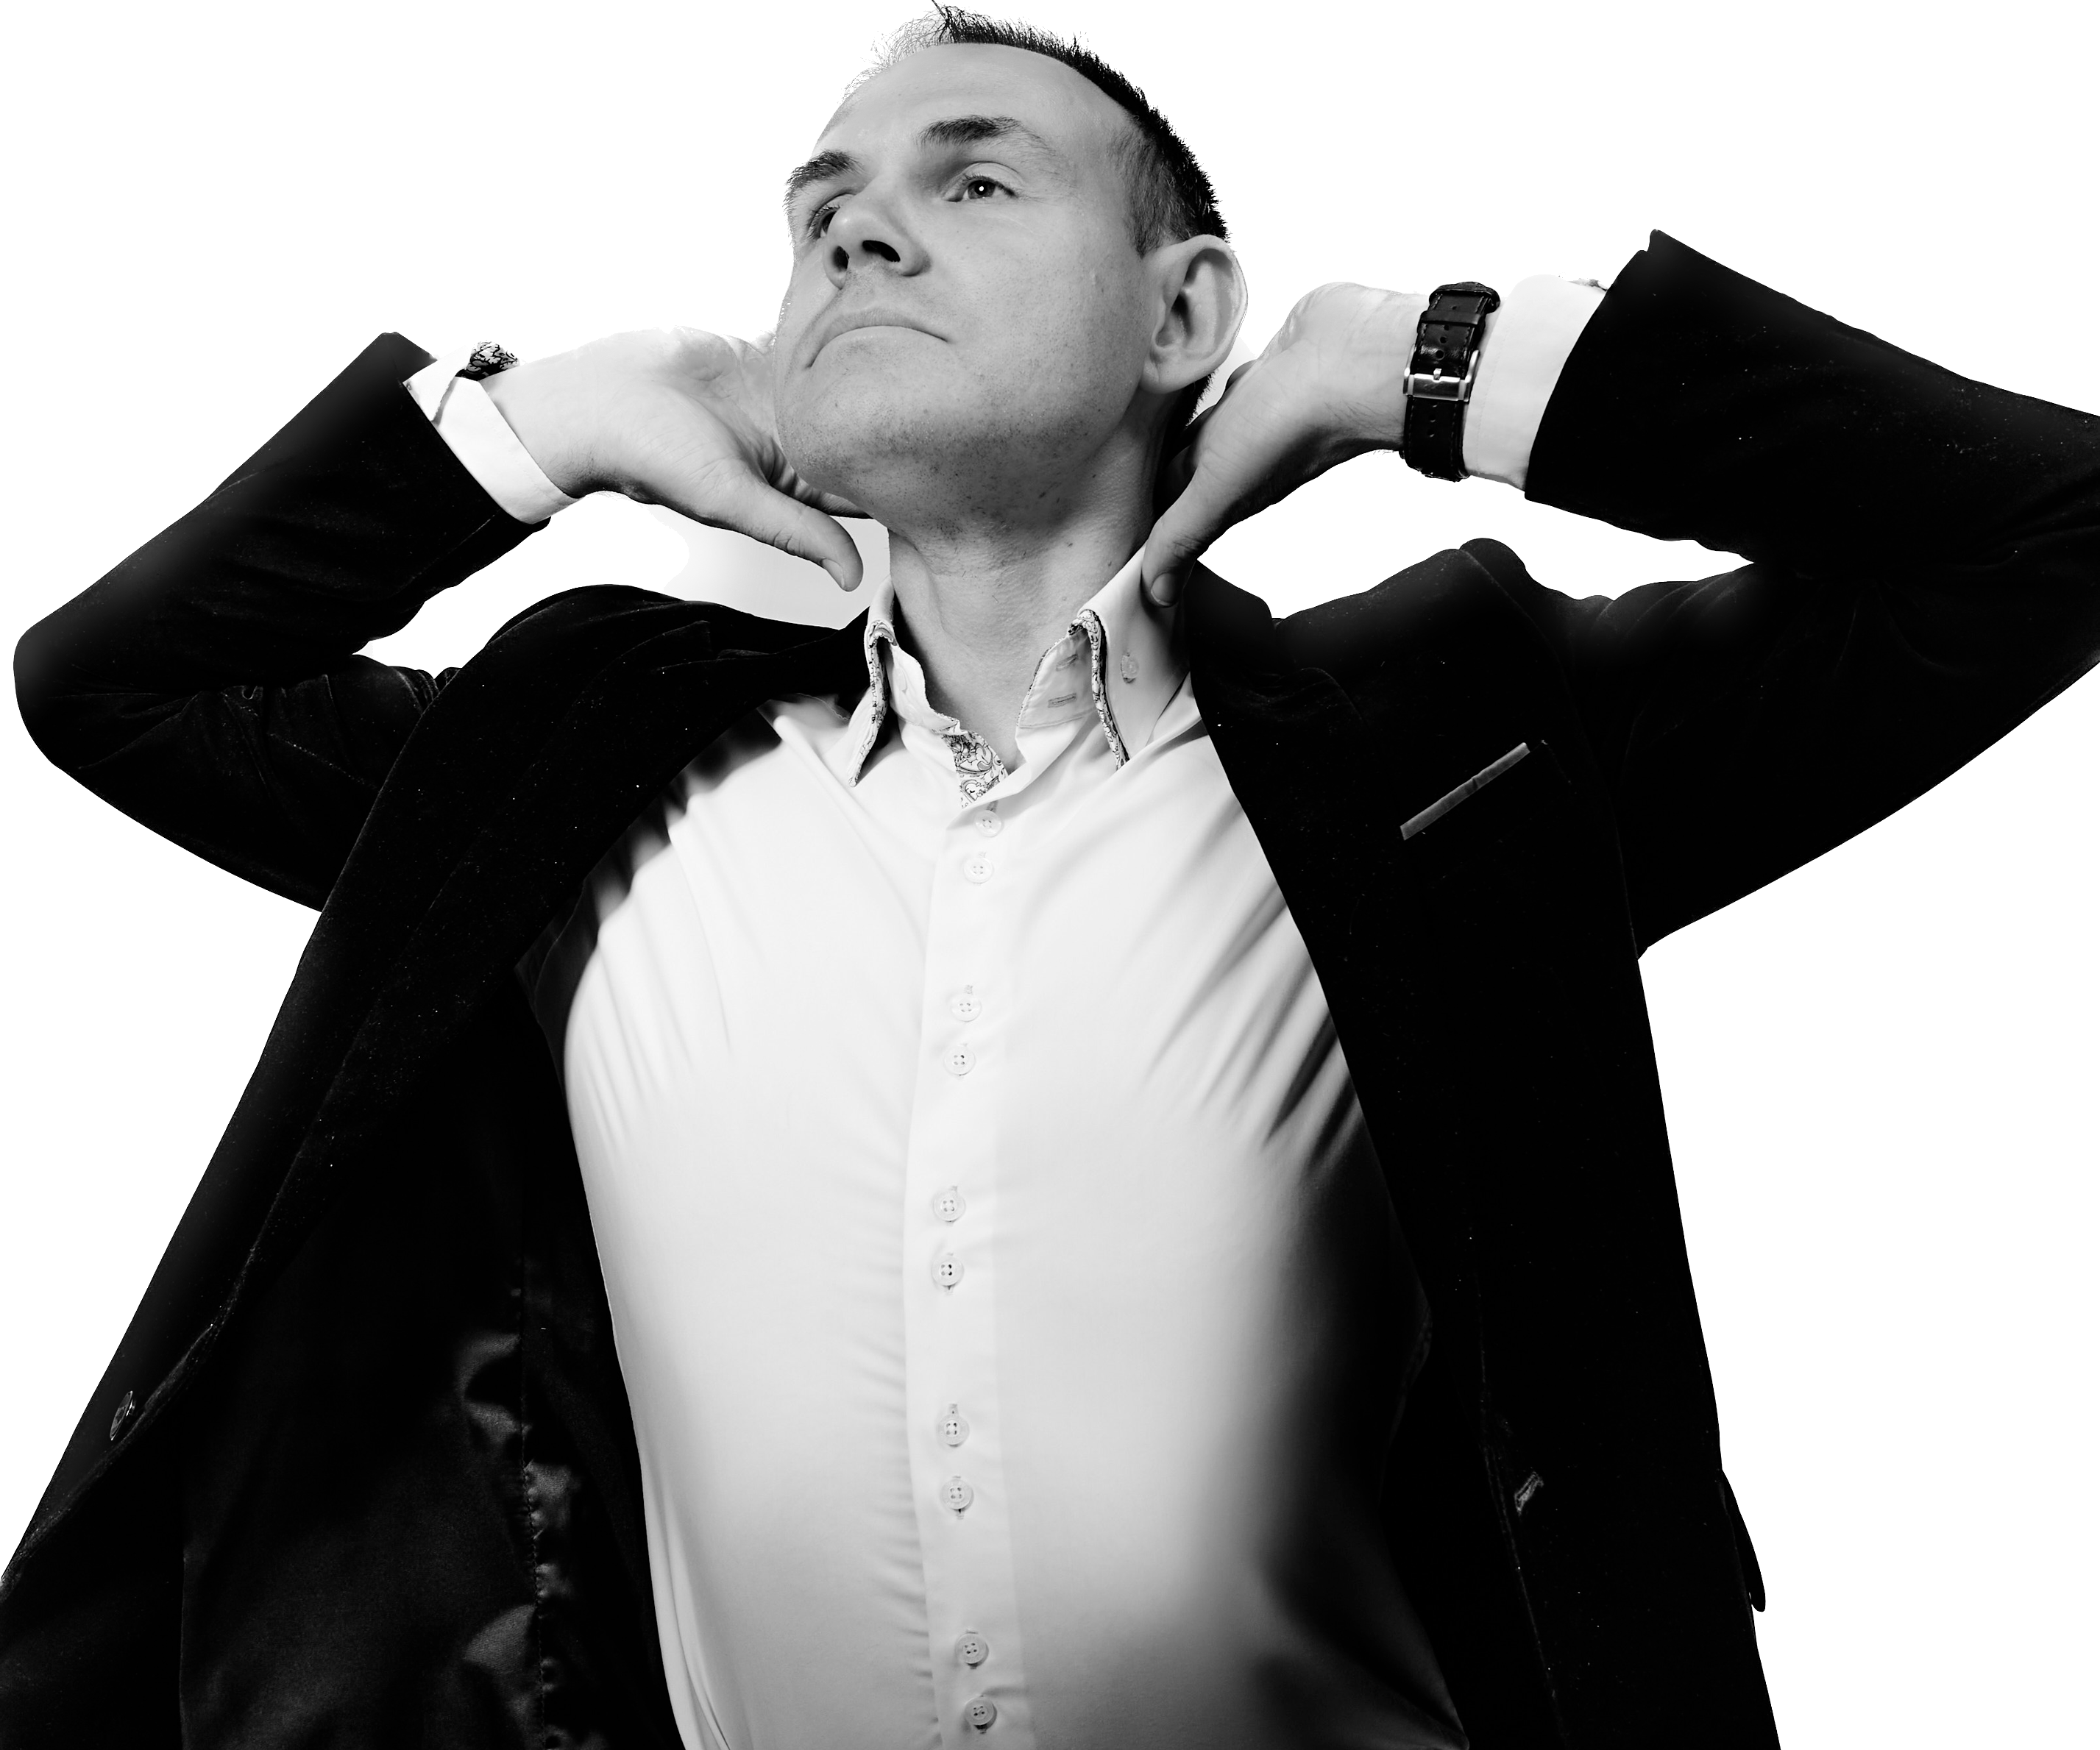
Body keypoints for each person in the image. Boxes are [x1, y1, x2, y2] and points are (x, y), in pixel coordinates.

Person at [4, 7, 2094, 1746]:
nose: (856, 234)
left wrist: (1434, 363)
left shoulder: (1451, 749)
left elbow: (2042, 541)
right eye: (820, 213)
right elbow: (116, 689)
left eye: (975, 183)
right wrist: (551, 415)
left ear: (1189, 313)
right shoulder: (567, 767)